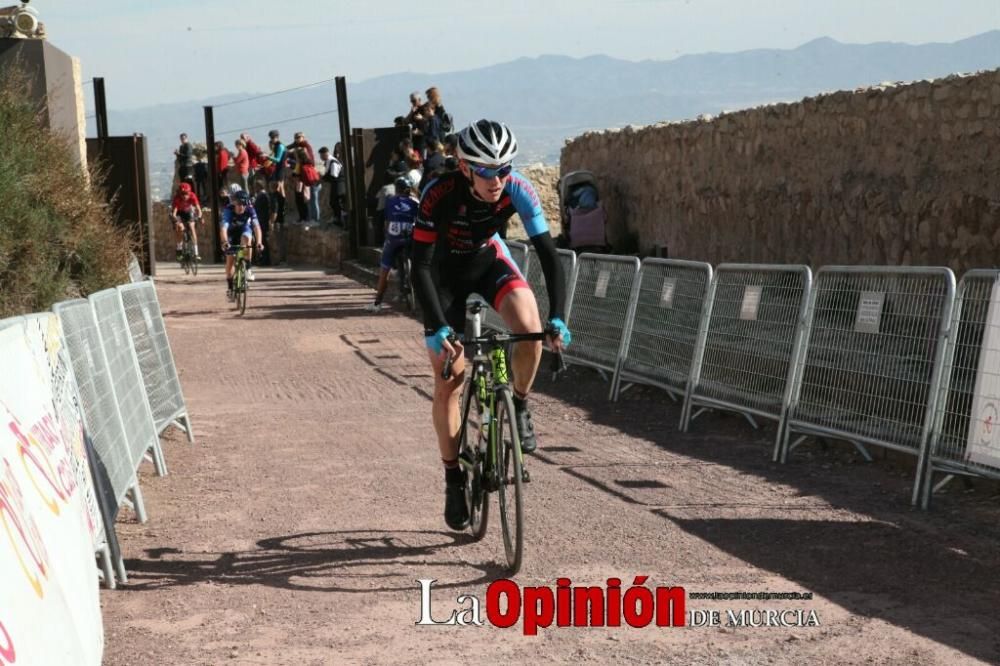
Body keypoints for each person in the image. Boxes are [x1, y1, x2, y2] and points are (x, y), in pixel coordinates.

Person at [412, 119, 571, 530]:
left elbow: (549, 255)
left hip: (486, 261)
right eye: (486, 172)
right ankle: (452, 477)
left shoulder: (517, 188)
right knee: (449, 378)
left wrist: (558, 317)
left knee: (530, 326)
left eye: (504, 169)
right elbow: (421, 266)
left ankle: (517, 402)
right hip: (443, 277)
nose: (497, 180)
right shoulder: (439, 194)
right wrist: (437, 326)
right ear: (465, 168)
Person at [367, 175, 419, 312]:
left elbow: (386, 222)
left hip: (393, 240)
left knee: (384, 271)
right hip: (409, 240)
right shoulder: (415, 203)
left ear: (397, 189)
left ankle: (377, 303)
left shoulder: (390, 201)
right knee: (420, 265)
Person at [220, 190, 263, 298]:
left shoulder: (250, 209)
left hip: (244, 229)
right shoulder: (228, 210)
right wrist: (225, 242)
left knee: (247, 239)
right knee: (230, 262)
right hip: (231, 233)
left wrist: (259, 242)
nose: (241, 207)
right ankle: (230, 287)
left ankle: (247, 268)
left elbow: (257, 227)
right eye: (239, 204)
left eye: (244, 204)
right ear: (234, 203)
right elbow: (224, 229)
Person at [171, 182, 203, 260]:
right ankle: (179, 249)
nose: (184, 196)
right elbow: (174, 212)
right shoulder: (177, 198)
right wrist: (176, 220)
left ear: (189, 193)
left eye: (186, 194)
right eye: (182, 194)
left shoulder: (192, 196)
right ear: (179, 193)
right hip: (178, 213)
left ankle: (196, 253)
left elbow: (199, 209)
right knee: (181, 228)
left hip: (188, 212)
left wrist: (199, 217)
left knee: (192, 227)